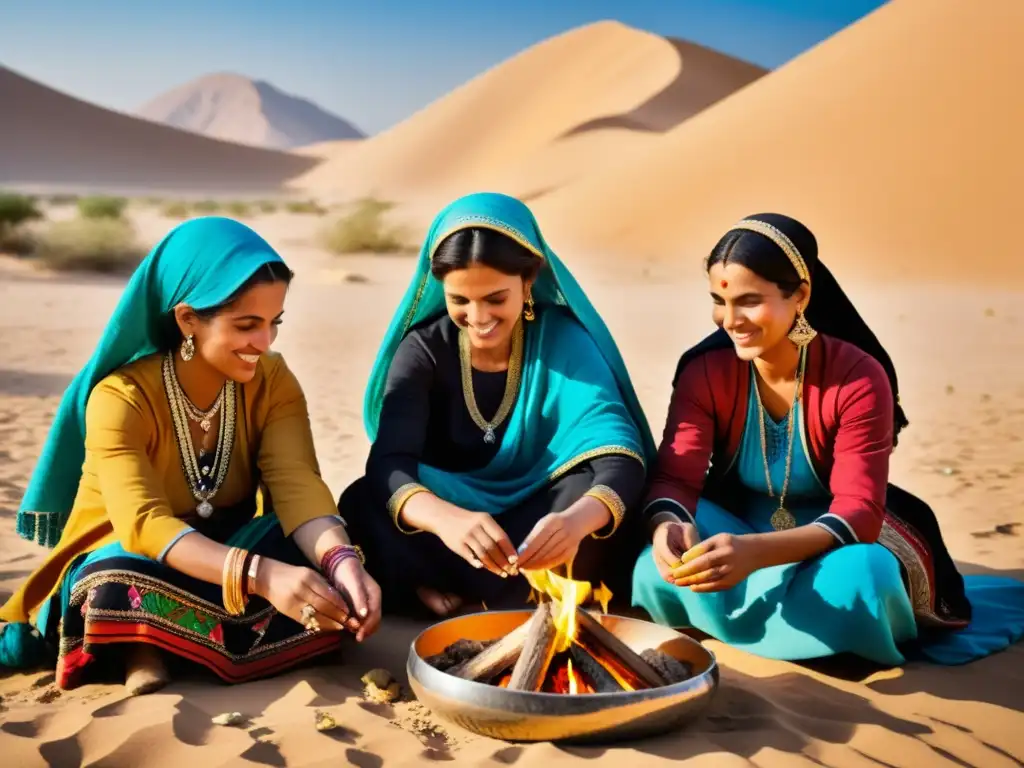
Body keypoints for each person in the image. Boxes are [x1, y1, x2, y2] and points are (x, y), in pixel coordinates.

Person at [0, 217, 381, 694]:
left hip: (231, 544)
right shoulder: (121, 397)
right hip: (142, 556)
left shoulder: (273, 380)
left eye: (273, 323)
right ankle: (148, 644)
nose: (264, 343)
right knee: (114, 582)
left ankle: (170, 641)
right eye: (246, 325)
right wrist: (260, 577)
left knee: (342, 554)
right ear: (187, 320)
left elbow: (296, 481)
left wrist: (343, 562)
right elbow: (144, 524)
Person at [632, 213, 1024, 666]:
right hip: (738, 521)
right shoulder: (705, 369)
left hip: (831, 541)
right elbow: (676, 480)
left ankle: (742, 618)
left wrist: (754, 556)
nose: (730, 320)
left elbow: (858, 513)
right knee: (650, 566)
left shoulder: (857, 377)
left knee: (867, 582)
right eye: (719, 301)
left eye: (749, 301)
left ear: (799, 295)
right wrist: (667, 529)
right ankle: (792, 626)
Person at [339, 192, 656, 617]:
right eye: (459, 301)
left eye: (494, 298)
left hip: (540, 522)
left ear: (528, 281)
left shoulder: (563, 339)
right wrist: (446, 520)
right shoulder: (424, 349)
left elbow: (620, 455)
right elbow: (389, 462)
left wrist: (574, 523)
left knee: (603, 511)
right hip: (453, 526)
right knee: (362, 505)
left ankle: (445, 593)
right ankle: (499, 595)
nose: (477, 316)